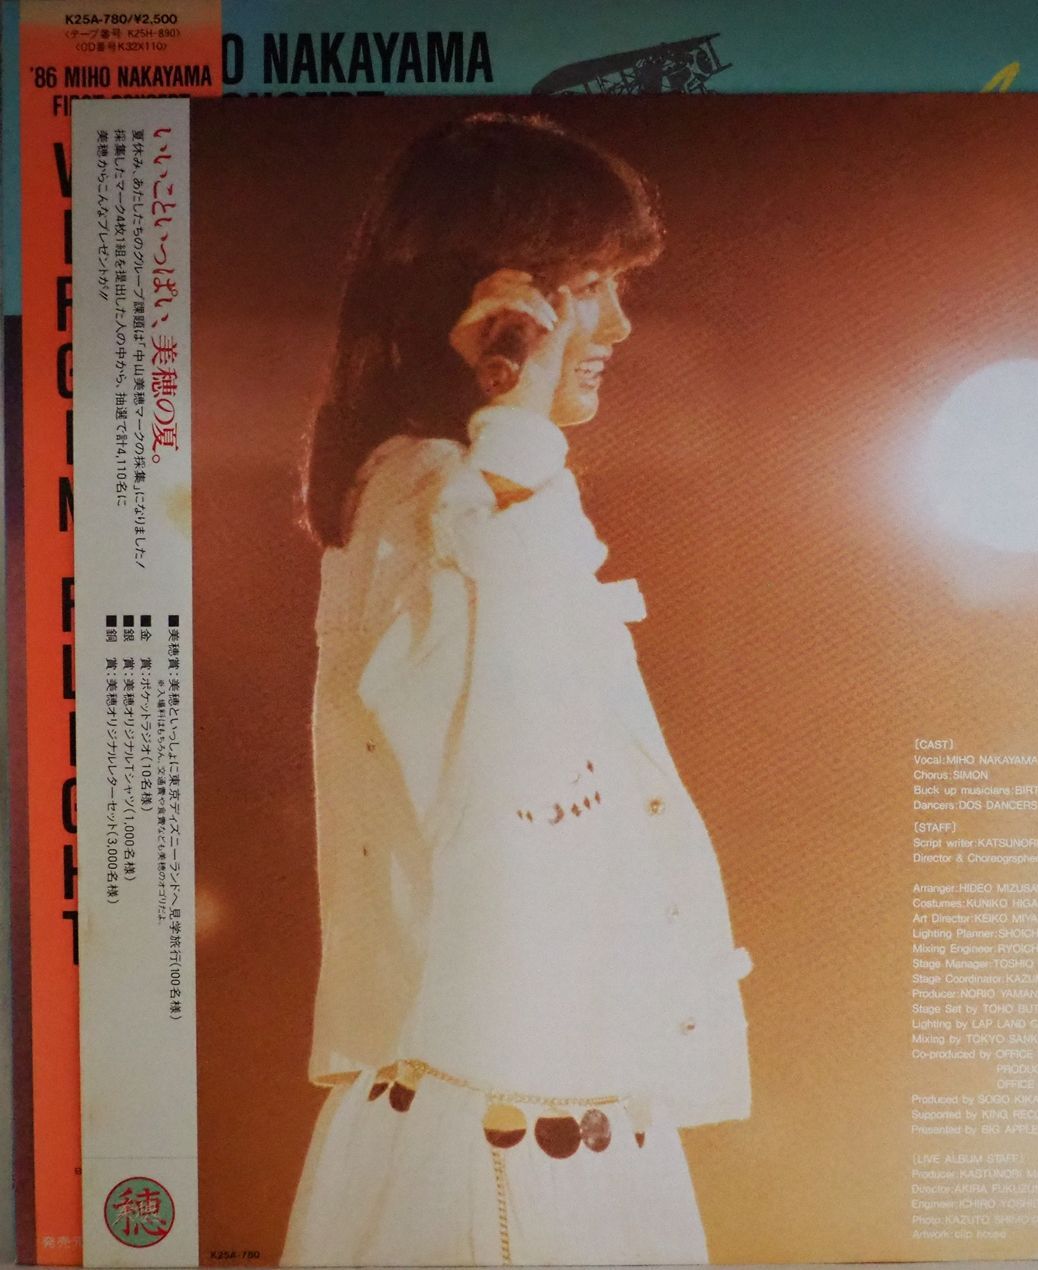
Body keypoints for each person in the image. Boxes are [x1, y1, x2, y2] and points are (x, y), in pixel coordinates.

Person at [283, 113, 751, 1267]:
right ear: (492, 304)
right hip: (500, 1141)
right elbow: (520, 753)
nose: (618, 324)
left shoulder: (459, 494)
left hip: (537, 1113)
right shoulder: (440, 493)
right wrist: (518, 422)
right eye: (588, 284)